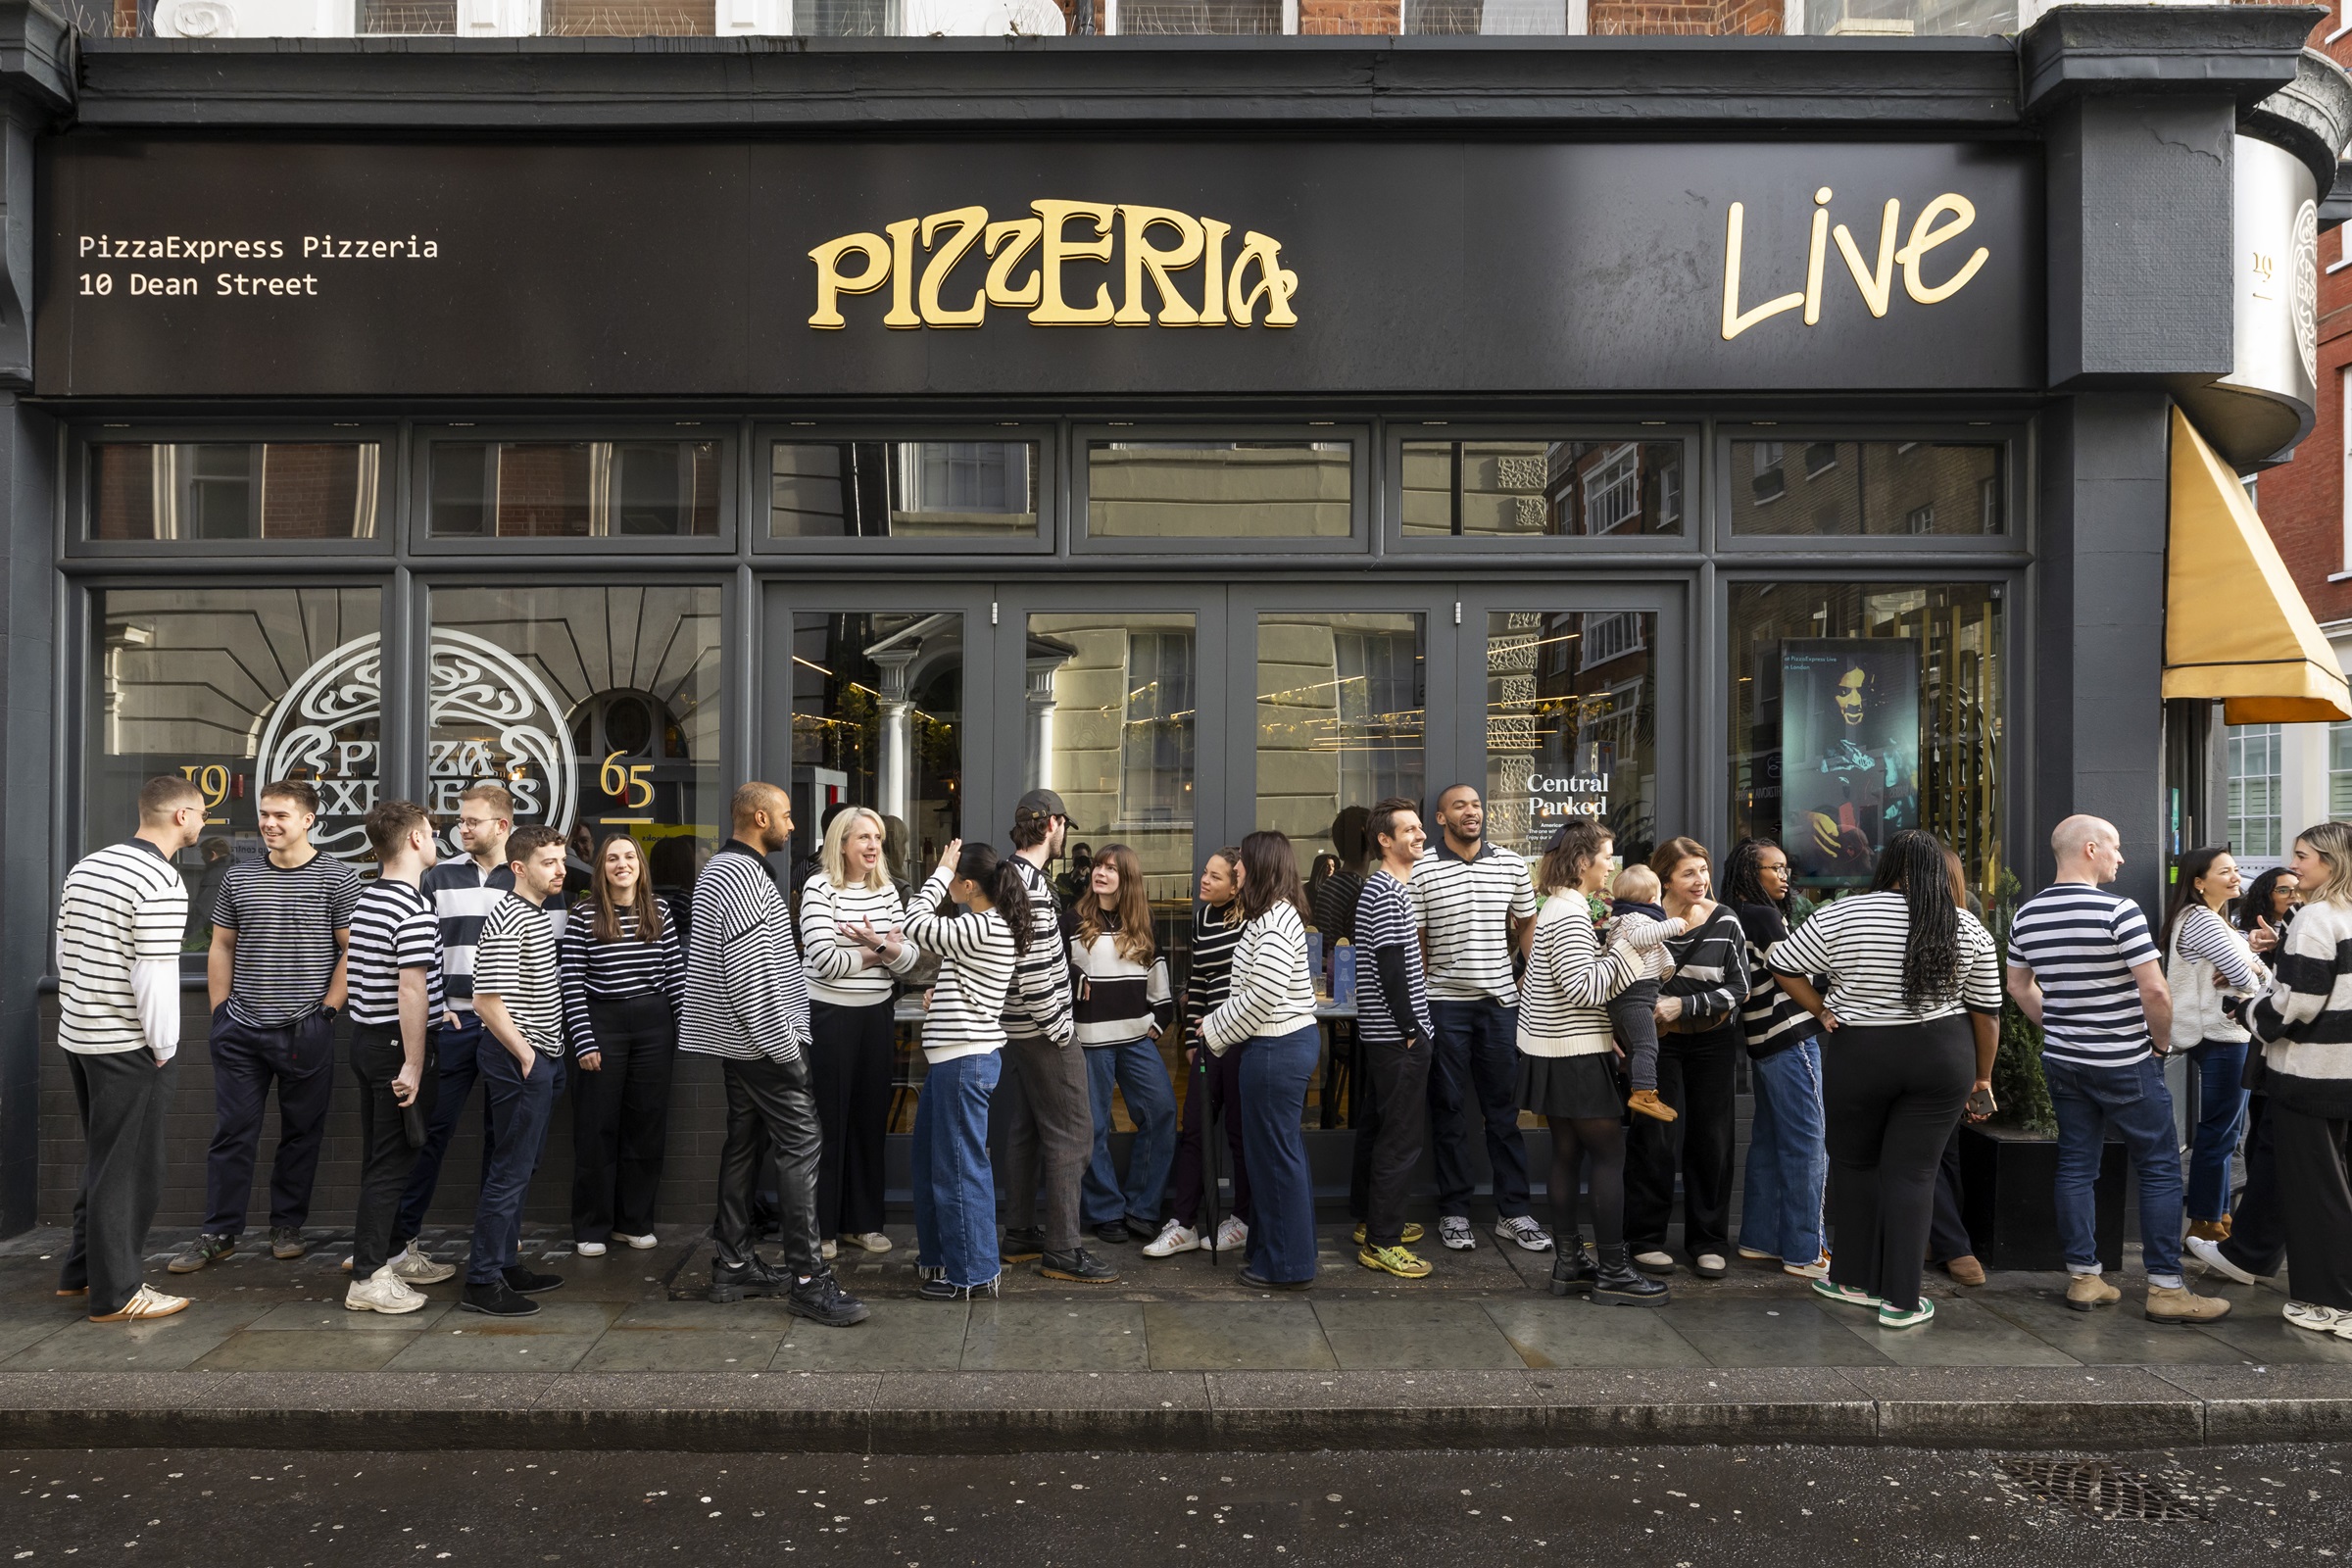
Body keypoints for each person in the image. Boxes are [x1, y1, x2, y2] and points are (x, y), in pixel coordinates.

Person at [1770, 828, 2000, 1329]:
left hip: (1863, 1051)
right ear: (1938, 871)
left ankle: (1851, 1279)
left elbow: (1781, 963)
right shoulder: (1964, 924)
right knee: (1914, 1174)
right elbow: (1987, 1013)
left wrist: (1822, 1009)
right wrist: (1982, 1079)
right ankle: (1900, 1301)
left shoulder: (1842, 913)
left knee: (1854, 1165)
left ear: (1885, 864)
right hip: (1942, 1056)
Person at [2005, 814, 2229, 1324]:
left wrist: (2060, 1025)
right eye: (2116, 847)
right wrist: (2161, 1043)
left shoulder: (2028, 914)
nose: (2122, 858)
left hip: (2064, 1060)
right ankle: (2167, 1289)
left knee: (2077, 1166)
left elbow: (2019, 988)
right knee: (2159, 1167)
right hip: (2125, 1060)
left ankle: (2085, 1279)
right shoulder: (2119, 910)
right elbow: (2154, 989)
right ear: (2090, 849)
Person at [681, 782, 869, 1326]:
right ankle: (809, 1280)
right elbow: (744, 972)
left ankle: (734, 1262)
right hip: (760, 1041)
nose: (792, 826)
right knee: (803, 1143)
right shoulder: (742, 877)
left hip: (739, 1042)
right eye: (786, 817)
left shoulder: (721, 870)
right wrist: (783, 1047)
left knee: (744, 1140)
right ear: (759, 818)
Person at [172, 778, 362, 1274]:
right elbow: (221, 947)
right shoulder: (239, 877)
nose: (269, 823)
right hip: (241, 1028)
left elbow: (351, 951)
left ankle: (286, 1226)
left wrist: (327, 1011)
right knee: (233, 1133)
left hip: (306, 1029)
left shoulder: (338, 878)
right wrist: (220, 1011)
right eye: (264, 814)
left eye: (281, 815)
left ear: (308, 820)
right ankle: (219, 1232)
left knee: (301, 1134)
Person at [55, 776, 203, 1323]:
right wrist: (163, 1046)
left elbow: (64, 944)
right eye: (202, 814)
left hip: (81, 1034)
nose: (205, 823)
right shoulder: (161, 880)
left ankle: (79, 1272)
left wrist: (76, 1014)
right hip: (127, 1043)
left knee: (104, 1156)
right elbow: (155, 974)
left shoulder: (87, 865)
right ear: (181, 817)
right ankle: (117, 1294)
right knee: (133, 1168)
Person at [1518, 816, 1666, 1306]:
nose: (1611, 867)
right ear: (1583, 862)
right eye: (1606, 857)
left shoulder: (1559, 907)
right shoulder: (1569, 911)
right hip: (1575, 1054)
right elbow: (1585, 987)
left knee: (1566, 1154)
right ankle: (1614, 1272)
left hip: (1556, 1050)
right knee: (1608, 1156)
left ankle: (1570, 1265)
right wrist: (1629, 944)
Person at [892, 839, 1046, 1300]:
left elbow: (912, 923)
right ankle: (942, 1260)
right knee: (933, 1164)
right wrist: (943, 994)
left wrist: (938, 871)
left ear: (969, 883)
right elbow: (964, 975)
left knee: (959, 1169)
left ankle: (973, 1274)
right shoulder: (982, 925)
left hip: (964, 1059)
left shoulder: (982, 925)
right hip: (955, 1057)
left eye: (954, 877)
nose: (947, 882)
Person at [1409, 783, 1550, 1255]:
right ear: (1441, 818)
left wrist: (1525, 976)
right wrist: (1433, 981)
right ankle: (1455, 1213)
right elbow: (1420, 939)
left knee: (1503, 1114)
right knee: (1449, 1111)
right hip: (1444, 1005)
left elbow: (1526, 921)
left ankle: (1515, 1213)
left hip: (1500, 1006)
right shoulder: (1423, 868)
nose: (1471, 813)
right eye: (1459, 807)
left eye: (1475, 805)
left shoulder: (1510, 863)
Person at [388, 783, 514, 1274]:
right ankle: (402, 1244)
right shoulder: (437, 878)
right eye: (460, 821)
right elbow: (421, 953)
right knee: (432, 1133)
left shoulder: (524, 874)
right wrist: (438, 1007)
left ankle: (497, 1242)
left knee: (502, 1137)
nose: (462, 828)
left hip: (507, 1026)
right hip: (456, 1022)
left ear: (501, 826)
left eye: (472, 821)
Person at [992, 789, 1113, 1284]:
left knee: (1026, 1129)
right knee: (1073, 1133)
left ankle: (1020, 1231)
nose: (1065, 838)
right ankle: (1063, 1249)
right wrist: (1061, 1029)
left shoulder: (1005, 876)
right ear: (1053, 825)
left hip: (1014, 1029)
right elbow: (1035, 970)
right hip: (1043, 1030)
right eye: (1065, 827)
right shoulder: (1036, 886)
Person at [342, 800, 458, 1313]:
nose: (436, 839)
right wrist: (413, 1062)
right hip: (395, 1048)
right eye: (431, 832)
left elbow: (392, 980)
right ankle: (367, 1277)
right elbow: (408, 989)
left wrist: (439, 1009)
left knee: (381, 1158)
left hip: (369, 1041)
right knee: (391, 1164)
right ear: (414, 839)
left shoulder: (370, 899)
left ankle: (388, 1257)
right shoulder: (411, 906)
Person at [1199, 830, 1323, 1291]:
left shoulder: (1272, 920)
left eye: (1244, 864)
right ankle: (1280, 1254)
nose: (1238, 871)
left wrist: (1213, 1029)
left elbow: (1264, 994)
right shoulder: (1275, 914)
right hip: (1279, 1046)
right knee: (1280, 1157)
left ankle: (1285, 1266)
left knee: (1274, 1160)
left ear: (1261, 867)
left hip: (1275, 1049)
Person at [1622, 837, 1748, 1279]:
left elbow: (1740, 988)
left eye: (1703, 870)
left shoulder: (1725, 921)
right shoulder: (1641, 923)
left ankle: (1709, 1241)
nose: (1699, 881)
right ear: (1665, 879)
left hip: (1713, 1041)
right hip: (1658, 1042)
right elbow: (1622, 976)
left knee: (1711, 1139)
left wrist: (1685, 1005)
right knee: (1654, 1136)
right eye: (1688, 873)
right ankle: (1644, 1239)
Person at [798, 807, 920, 1260]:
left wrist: (874, 948)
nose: (873, 846)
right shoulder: (818, 887)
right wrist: (877, 949)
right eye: (864, 837)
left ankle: (863, 1224)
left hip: (876, 1014)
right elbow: (824, 963)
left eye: (878, 838)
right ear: (841, 843)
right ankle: (824, 1228)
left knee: (869, 1119)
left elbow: (908, 961)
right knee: (829, 1121)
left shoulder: (887, 890)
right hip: (829, 1015)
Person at [2245, 822, 2352, 1342]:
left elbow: (2297, 1004)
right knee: (2338, 1186)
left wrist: (2249, 1011)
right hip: (2346, 1074)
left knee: (2315, 1194)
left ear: (2330, 863)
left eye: (2303, 856)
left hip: (2310, 1075)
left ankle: (2332, 1303)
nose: (2296, 865)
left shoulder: (2317, 917)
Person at [459, 824, 569, 1317]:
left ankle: (505, 1263)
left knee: (521, 1166)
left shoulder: (535, 915)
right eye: (549, 862)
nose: (560, 870)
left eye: (562, 860)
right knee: (509, 1170)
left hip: (538, 1057)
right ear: (520, 868)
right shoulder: (512, 919)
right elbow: (486, 1001)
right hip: (518, 1060)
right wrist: (527, 1056)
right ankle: (482, 1280)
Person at [560, 832, 685, 1257]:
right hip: (602, 1020)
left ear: (640, 865)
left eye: (629, 856)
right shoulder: (583, 914)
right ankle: (592, 1226)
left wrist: (682, 1029)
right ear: (602, 867)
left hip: (654, 1025)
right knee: (597, 1126)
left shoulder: (661, 911)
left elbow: (676, 977)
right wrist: (583, 1039)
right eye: (612, 858)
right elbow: (571, 983)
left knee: (645, 1124)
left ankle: (634, 1221)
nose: (622, 864)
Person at [1720, 836, 1830, 1281]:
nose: (1784, 877)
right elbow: (1795, 970)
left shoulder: (1733, 915)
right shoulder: (1764, 916)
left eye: (1786, 869)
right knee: (1809, 1145)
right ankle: (1807, 1251)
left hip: (1761, 1041)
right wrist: (1823, 1008)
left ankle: (1760, 1240)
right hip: (1791, 1037)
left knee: (1767, 1142)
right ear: (1751, 873)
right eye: (1774, 869)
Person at [1146, 846, 1252, 1258]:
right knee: (1195, 1130)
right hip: (1210, 1041)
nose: (1204, 880)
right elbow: (1200, 981)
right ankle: (1183, 1223)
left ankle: (1242, 1220)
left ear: (1236, 883)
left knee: (1241, 1135)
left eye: (1215, 876)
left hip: (1244, 1041)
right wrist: (1192, 1042)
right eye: (1205, 873)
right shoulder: (1203, 918)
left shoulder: (1255, 921)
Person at [1070, 844, 1179, 1247]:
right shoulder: (1073, 920)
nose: (1100, 873)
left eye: (1111, 868)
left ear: (1127, 877)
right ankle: (1106, 1211)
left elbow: (1159, 983)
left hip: (1135, 1041)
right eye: (1098, 866)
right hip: (1090, 1042)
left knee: (1162, 1113)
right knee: (1093, 1128)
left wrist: (1158, 1021)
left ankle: (1142, 1209)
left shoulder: (1143, 922)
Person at [2160, 847, 2268, 1246]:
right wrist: (2252, 965)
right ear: (2199, 882)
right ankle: (2204, 1220)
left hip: (2225, 1035)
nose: (2236, 876)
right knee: (2220, 1132)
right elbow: (2251, 978)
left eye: (2236, 869)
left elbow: (2249, 975)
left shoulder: (2217, 921)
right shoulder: (2203, 921)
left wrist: (2249, 965)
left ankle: (2219, 1212)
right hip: (2221, 1035)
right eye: (2225, 871)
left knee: (2227, 1131)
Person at [1349, 798, 1437, 1281]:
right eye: (1410, 830)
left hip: (1387, 1035)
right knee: (1400, 1139)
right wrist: (1411, 1030)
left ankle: (1370, 1222)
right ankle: (1382, 1241)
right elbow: (1389, 964)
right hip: (1396, 1036)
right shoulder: (1386, 891)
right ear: (1385, 840)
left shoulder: (1390, 888)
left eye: (1420, 828)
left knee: (1380, 1129)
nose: (1420, 835)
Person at [1601, 862, 1685, 1124]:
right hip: (1636, 997)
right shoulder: (1637, 919)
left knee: (1636, 1049)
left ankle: (1636, 1081)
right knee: (1648, 1046)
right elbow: (1641, 938)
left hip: (1625, 999)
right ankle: (1645, 1094)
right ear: (1652, 899)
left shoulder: (1619, 919)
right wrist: (1674, 924)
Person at [2239, 866, 2300, 956]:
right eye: (2283, 890)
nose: (2294, 895)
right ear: (2264, 896)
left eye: (2299, 889)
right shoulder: (2248, 937)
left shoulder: (2311, 928)